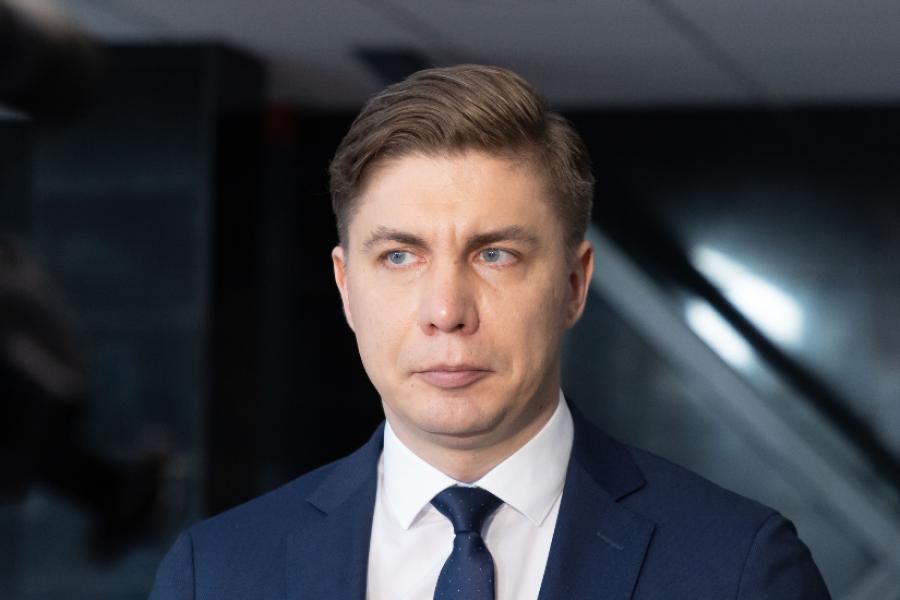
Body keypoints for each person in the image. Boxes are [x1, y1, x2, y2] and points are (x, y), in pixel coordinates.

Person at [149, 64, 830, 599]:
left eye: (495, 254)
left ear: (573, 284)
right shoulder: (216, 573)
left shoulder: (738, 567)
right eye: (400, 256)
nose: (447, 310)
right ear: (346, 286)